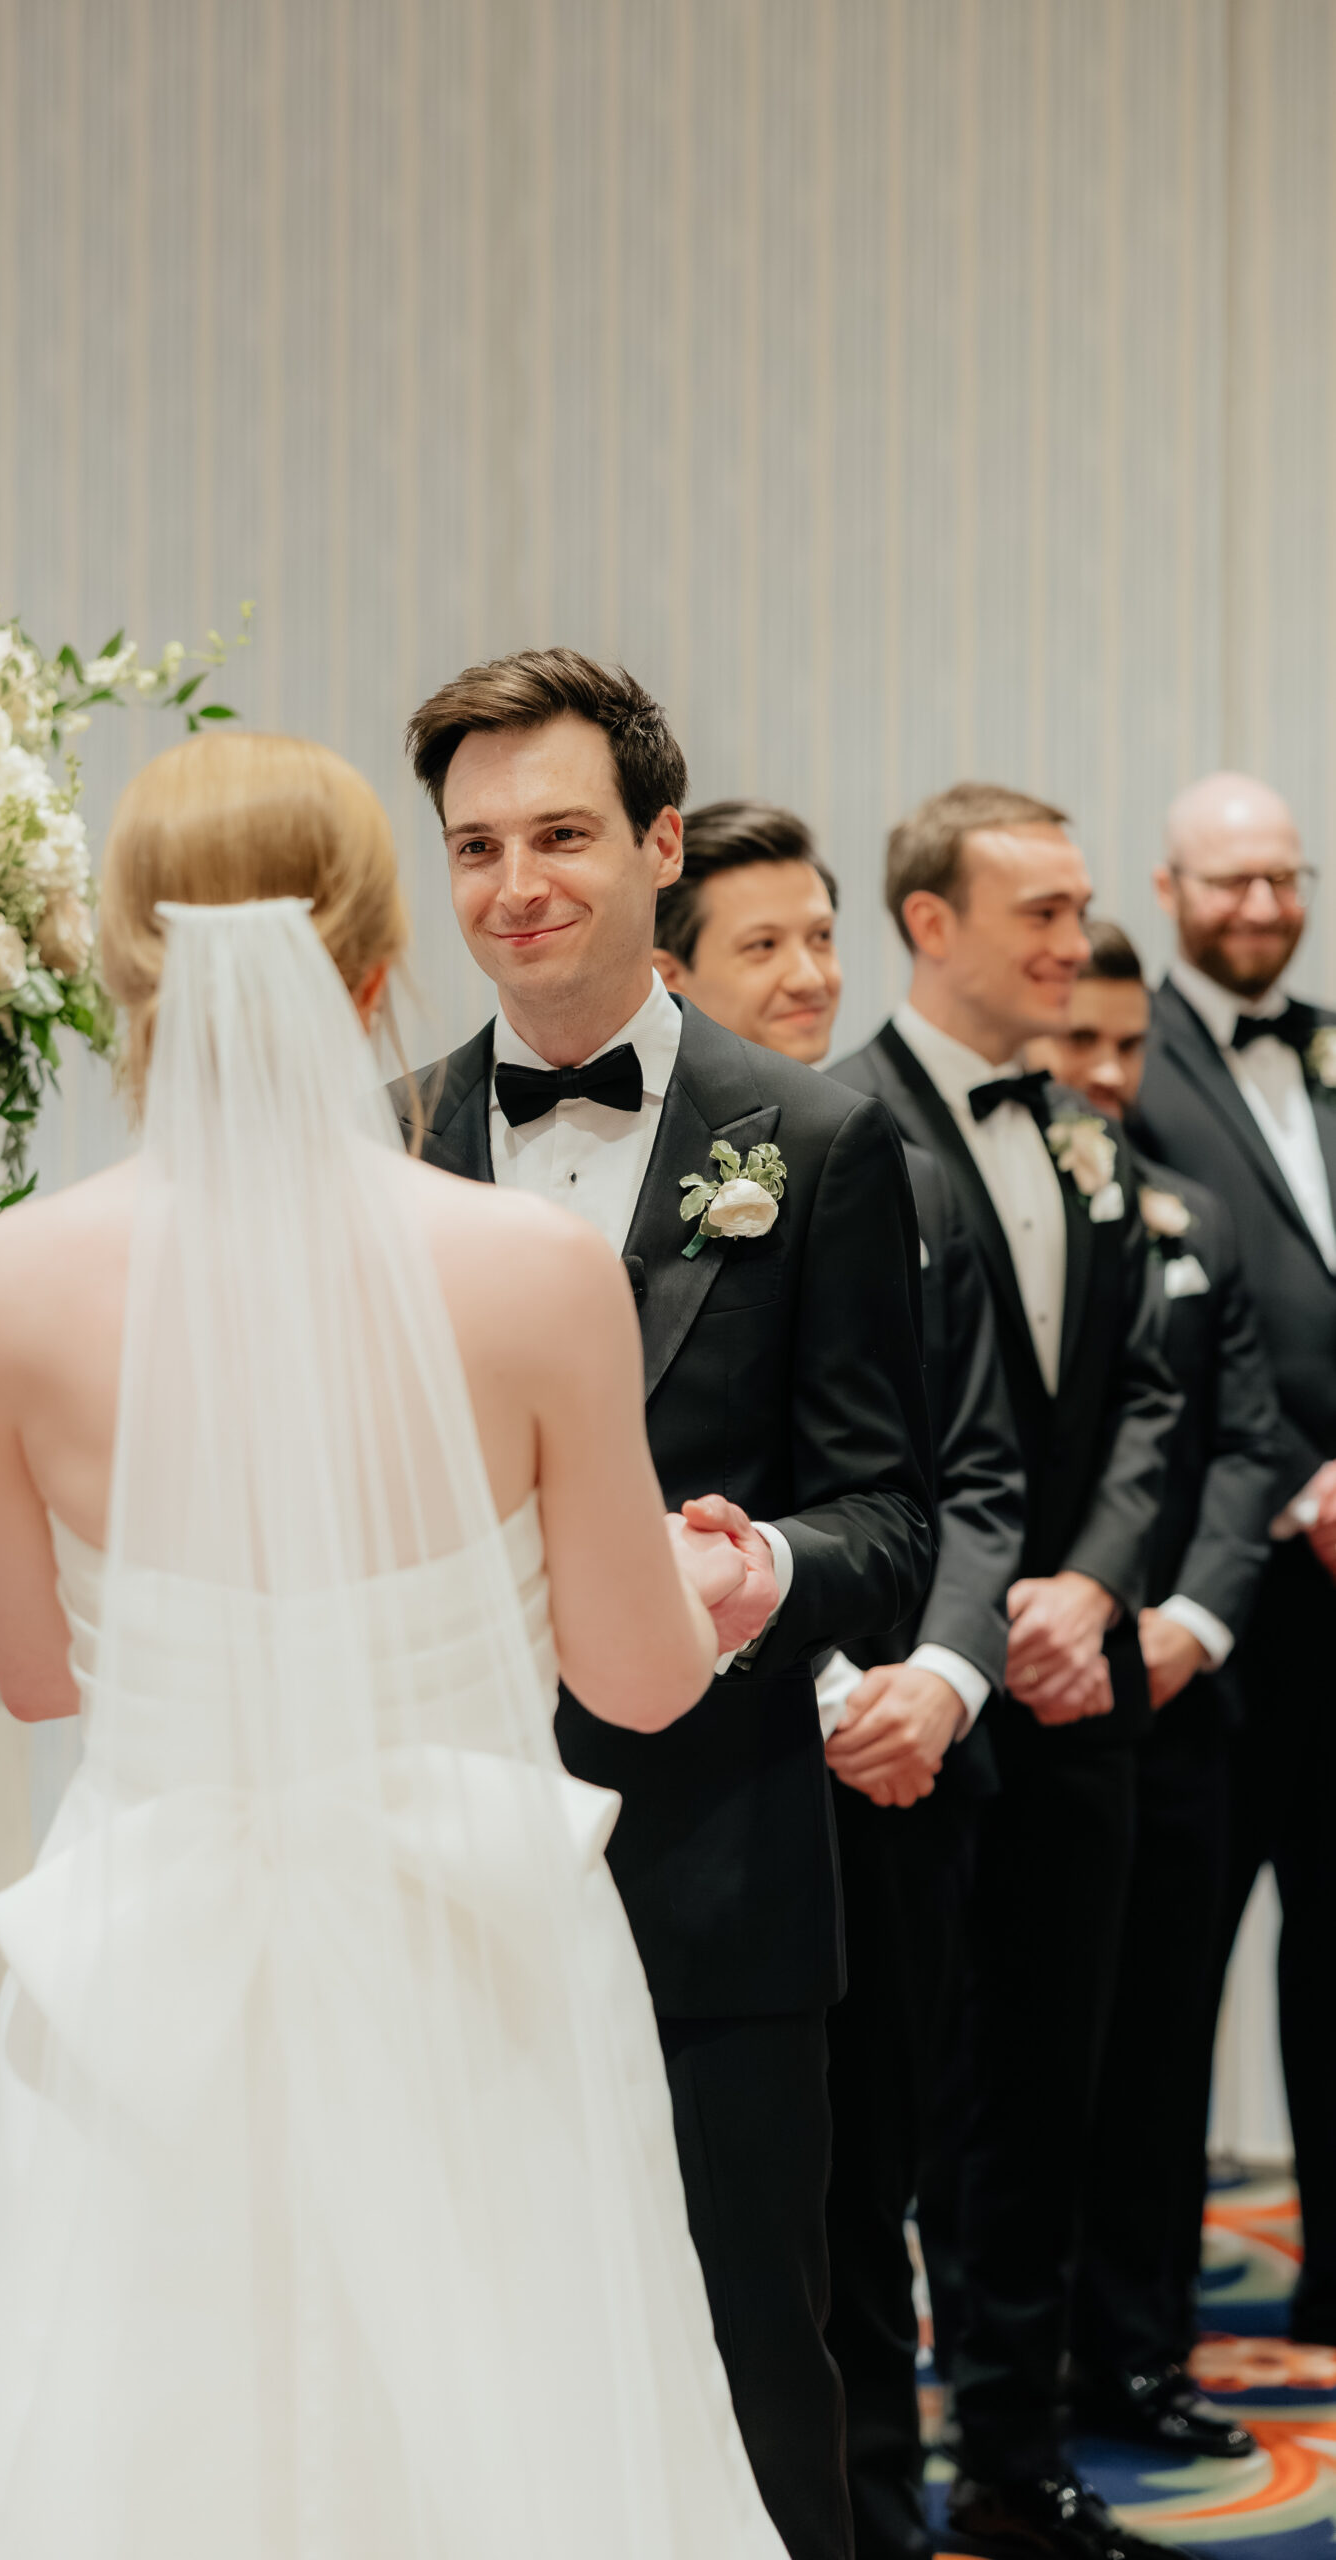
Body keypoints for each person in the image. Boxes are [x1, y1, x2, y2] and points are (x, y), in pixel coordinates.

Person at [0, 733, 787, 2559]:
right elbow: (636, 1684)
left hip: (150, 1971)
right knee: (515, 2439)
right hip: (476, 1954)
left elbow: (39, 1676)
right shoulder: (530, 1271)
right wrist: (707, 1588)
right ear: (377, 963)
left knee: (145, 2438)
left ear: (127, 967)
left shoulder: (7, 1285)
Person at [398, 652, 938, 2560]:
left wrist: (761, 1568)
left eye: (559, 834)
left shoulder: (818, 1139)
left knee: (744, 2364)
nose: (515, 884)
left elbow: (892, 1514)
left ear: (659, 846)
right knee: (465, 2365)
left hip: (716, 1872)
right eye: (475, 846)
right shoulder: (379, 1141)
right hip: (436, 1870)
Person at [657, 798, 1025, 2560]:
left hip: (900, 1761)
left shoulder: (902, 1167)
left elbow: (967, 1469)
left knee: (868, 2196)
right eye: (765, 945)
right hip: (717, 1762)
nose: (812, 974)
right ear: (676, 973)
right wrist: (807, 1691)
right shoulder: (617, 1183)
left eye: (823, 936)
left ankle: (879, 2522)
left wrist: (940, 1679)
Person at [830, 783, 1182, 2560]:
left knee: (1053, 2087)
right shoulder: (833, 1129)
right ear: (931, 923)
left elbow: (1151, 1399)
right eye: (1039, 911)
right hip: (915, 1705)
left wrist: (1095, 1584)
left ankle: (1018, 2457)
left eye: (1078, 908)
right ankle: (870, 2477)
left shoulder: (1087, 1135)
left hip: (1077, 1694)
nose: (1075, 942)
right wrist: (969, 1631)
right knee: (907, 2117)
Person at [1022, 918, 1282, 2460]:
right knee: (1014, 2060)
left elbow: (1247, 1444)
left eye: (1129, 1045)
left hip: (1175, 1697)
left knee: (1161, 2048)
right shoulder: (959, 1197)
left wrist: (1189, 1621)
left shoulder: (1198, 1217)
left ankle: (1141, 2354)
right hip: (1014, 1695)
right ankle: (1006, 2361)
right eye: (1083, 1042)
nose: (1110, 1074)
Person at [1130, 772, 1336, 2349]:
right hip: (1210, 1587)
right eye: (1229, 881)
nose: (1262, 907)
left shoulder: (1331, 1047)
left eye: (1285, 878)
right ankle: (1139, 2309)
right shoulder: (1127, 1063)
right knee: (1169, 1957)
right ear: (1170, 890)